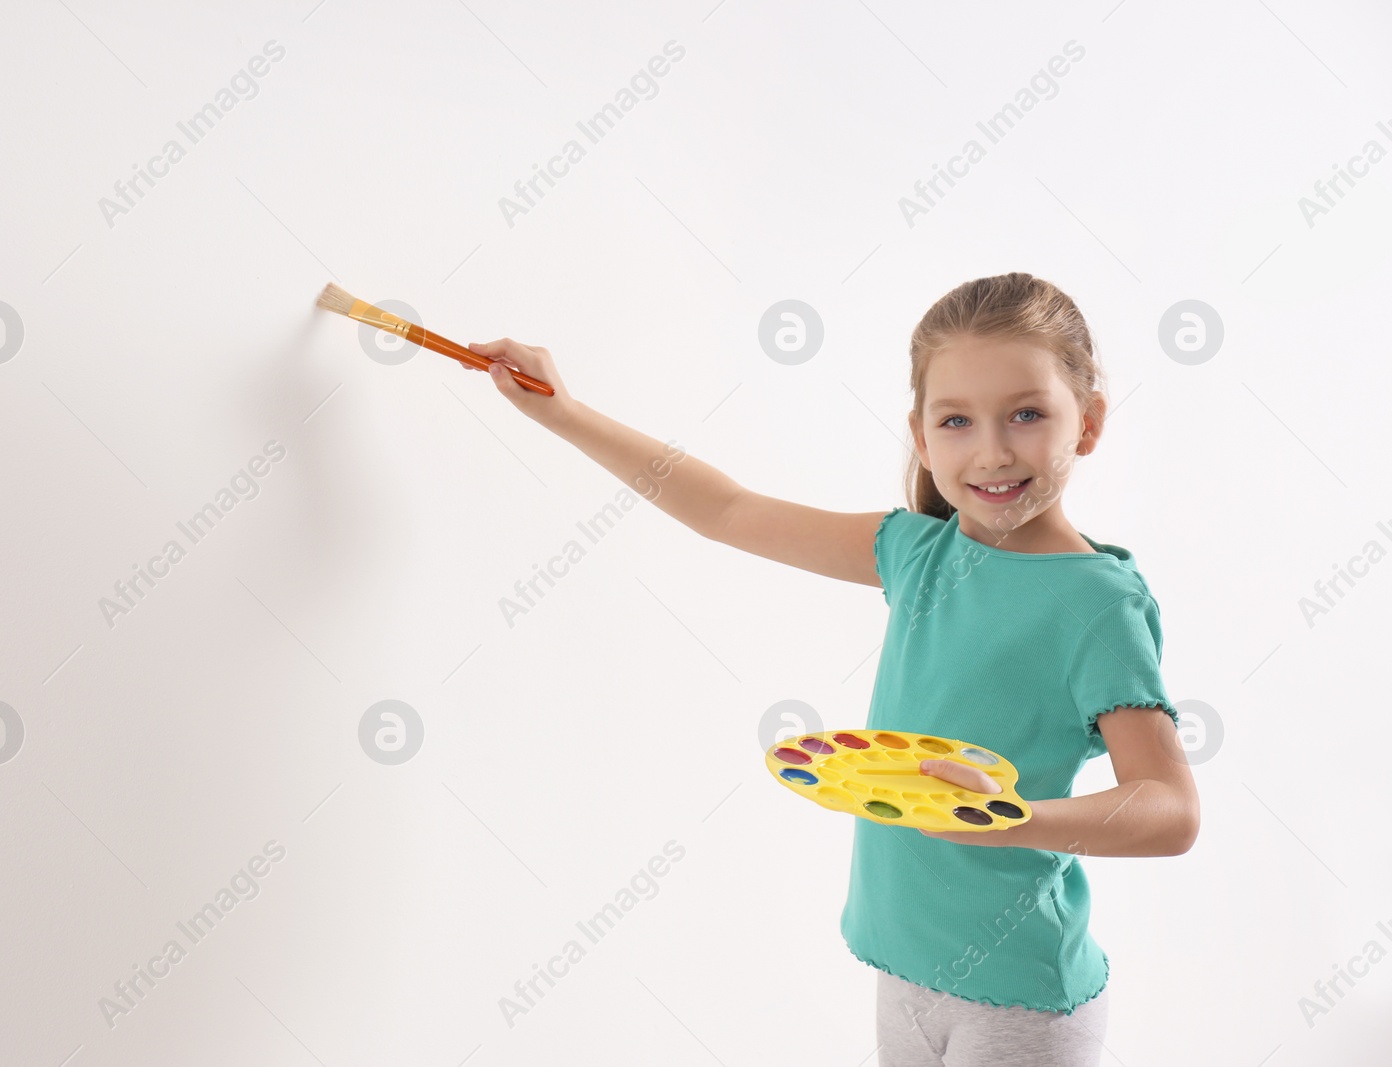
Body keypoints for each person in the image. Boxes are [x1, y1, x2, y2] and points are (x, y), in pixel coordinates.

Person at [464, 272, 1199, 1067]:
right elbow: (726, 509)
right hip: (904, 975)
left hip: (1019, 998)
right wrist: (565, 413)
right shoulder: (916, 554)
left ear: (1086, 422)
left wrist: (1011, 820)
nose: (990, 450)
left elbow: (1169, 807)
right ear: (921, 436)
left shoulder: (1097, 602)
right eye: (956, 420)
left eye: (1026, 413)